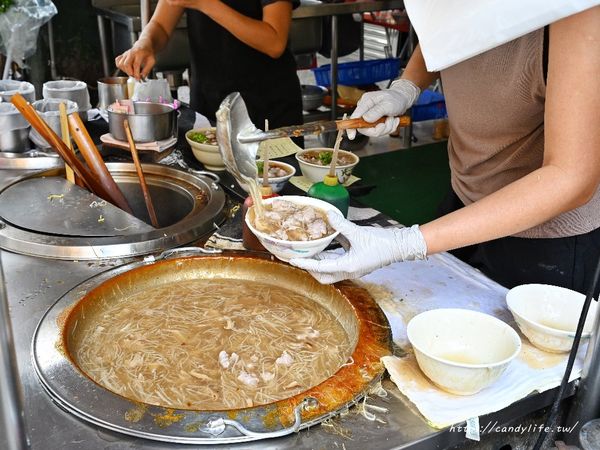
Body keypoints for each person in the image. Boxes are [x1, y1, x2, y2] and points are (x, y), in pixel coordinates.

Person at [290, 6, 600, 296]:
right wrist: (406, 87)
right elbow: (448, 31)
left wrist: (407, 243)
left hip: (546, 239)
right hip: (462, 199)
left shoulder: (579, 14)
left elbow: (572, 176)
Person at [115, 0, 303, 132]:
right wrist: (144, 44)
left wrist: (205, 3)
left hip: (267, 107)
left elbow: (275, 42)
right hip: (209, 103)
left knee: (273, 186)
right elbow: (161, 25)